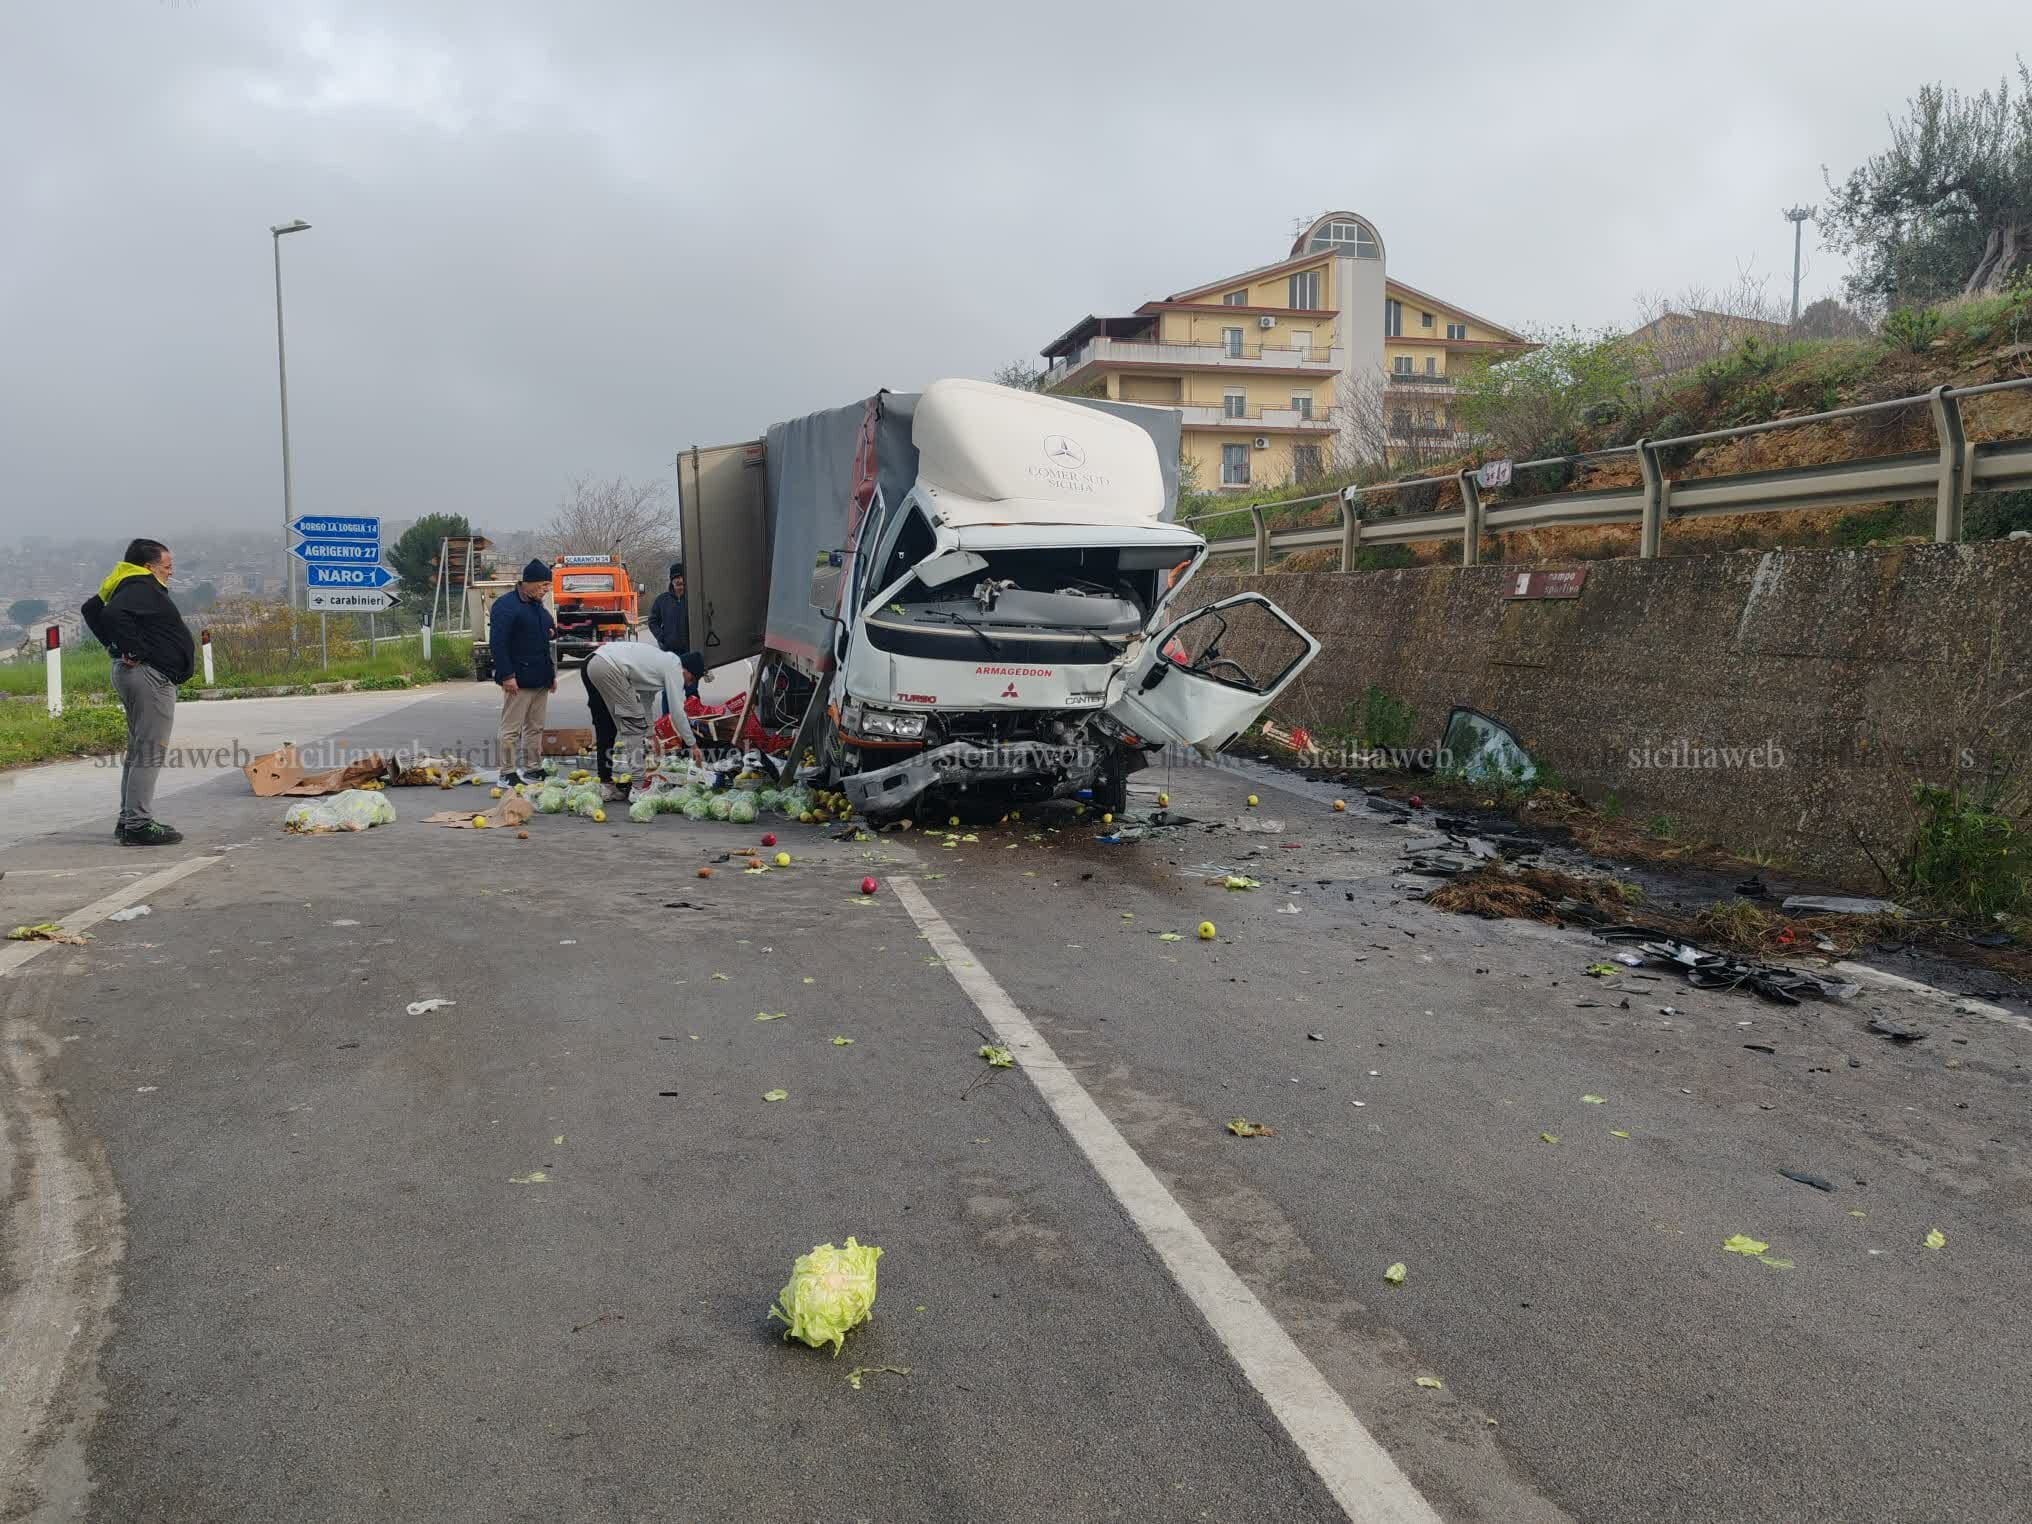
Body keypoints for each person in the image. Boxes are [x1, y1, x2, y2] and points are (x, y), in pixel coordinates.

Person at [81, 538, 195, 846]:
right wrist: (130, 648)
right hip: (149, 678)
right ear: (149, 567)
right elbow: (111, 614)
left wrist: (115, 646)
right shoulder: (141, 585)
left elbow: (91, 608)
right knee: (149, 751)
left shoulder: (124, 583)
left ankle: (128, 819)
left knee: (139, 750)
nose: (171, 572)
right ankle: (138, 824)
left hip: (140, 674)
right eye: (167, 566)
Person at [583, 639, 704, 795]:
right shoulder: (674, 669)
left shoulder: (661, 664)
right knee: (632, 726)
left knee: (617, 723)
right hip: (607, 666)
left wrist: (651, 734)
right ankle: (639, 788)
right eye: (692, 679)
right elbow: (677, 712)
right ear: (686, 670)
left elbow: (646, 703)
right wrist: (693, 745)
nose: (689, 684)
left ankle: (607, 787)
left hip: (595, 662)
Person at [490, 560, 557, 785]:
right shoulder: (506, 605)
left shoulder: (537, 605)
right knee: (511, 729)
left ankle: (532, 768)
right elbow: (498, 644)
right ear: (529, 583)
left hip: (540, 678)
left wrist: (551, 676)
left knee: (535, 728)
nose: (546, 589)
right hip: (518, 680)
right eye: (544, 584)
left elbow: (548, 633)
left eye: (548, 585)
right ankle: (506, 773)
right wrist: (507, 675)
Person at [648, 562, 688, 655]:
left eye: (682, 577)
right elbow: (652, 622)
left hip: (691, 650)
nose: (680, 580)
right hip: (669, 653)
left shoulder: (693, 599)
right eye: (676, 578)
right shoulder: (662, 600)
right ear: (672, 580)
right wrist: (662, 638)